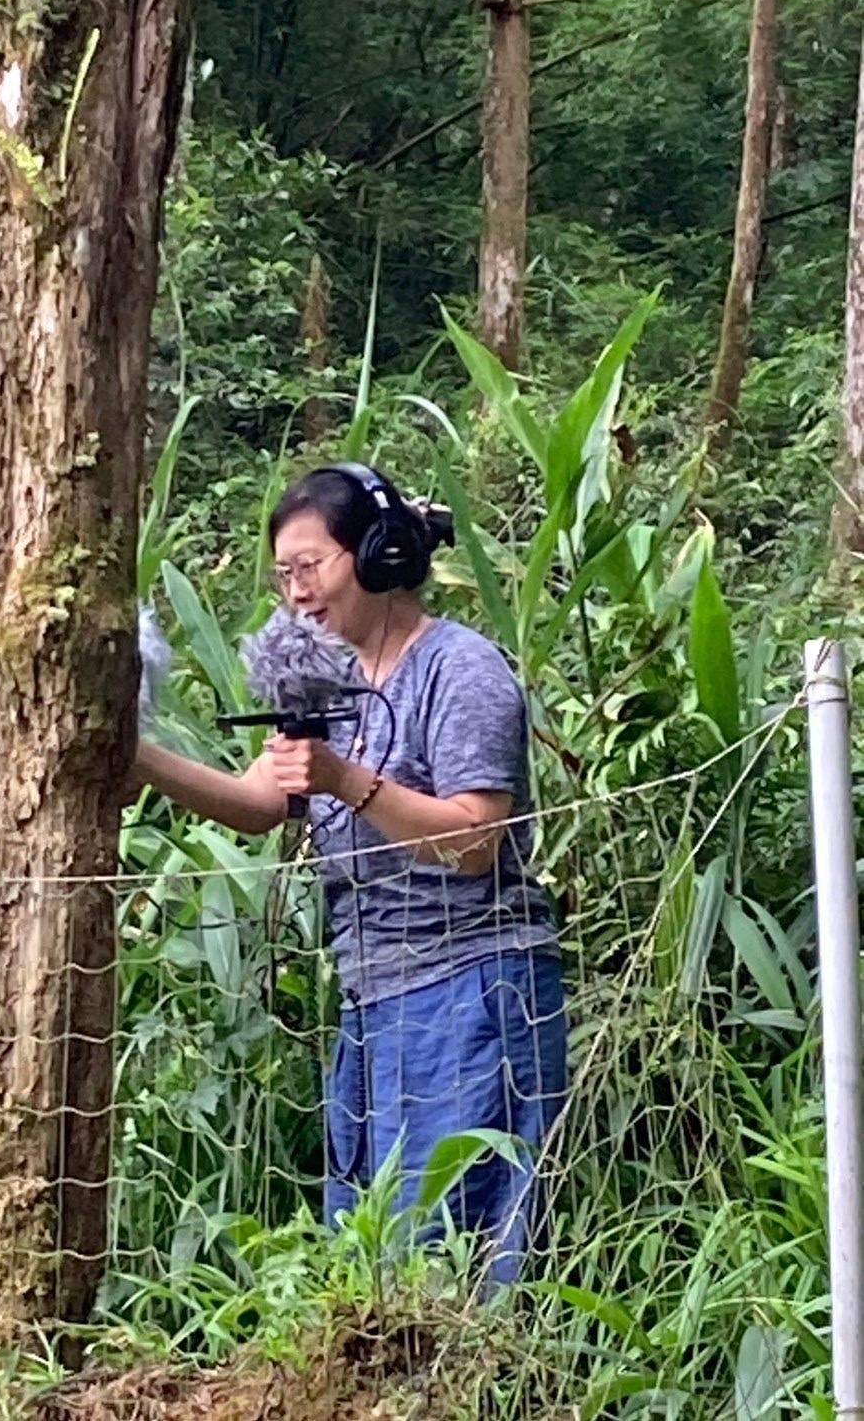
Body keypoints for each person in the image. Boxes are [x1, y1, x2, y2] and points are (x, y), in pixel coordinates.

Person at [132, 461, 567, 1281]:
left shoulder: (460, 669)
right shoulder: (328, 683)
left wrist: (344, 780)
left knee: (458, 1249)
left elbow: (475, 840)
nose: (296, 591)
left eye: (310, 565)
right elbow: (259, 802)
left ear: (378, 555)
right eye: (283, 573)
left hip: (472, 989)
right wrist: (132, 753)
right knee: (371, 1255)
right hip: (371, 999)